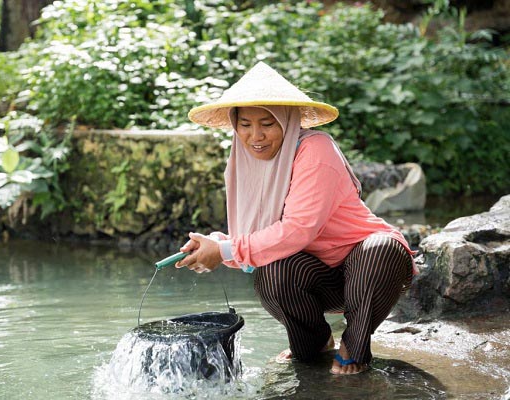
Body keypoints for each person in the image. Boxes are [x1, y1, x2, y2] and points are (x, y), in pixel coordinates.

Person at [174, 61, 416, 375]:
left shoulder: (315, 149)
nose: (255, 135)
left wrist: (222, 252)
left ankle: (354, 347)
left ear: (288, 121)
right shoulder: (244, 161)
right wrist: (216, 244)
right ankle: (314, 344)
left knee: (380, 248)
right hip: (315, 276)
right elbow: (256, 242)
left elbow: (298, 229)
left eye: (267, 123)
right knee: (272, 269)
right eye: (245, 124)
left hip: (370, 272)